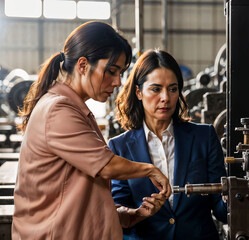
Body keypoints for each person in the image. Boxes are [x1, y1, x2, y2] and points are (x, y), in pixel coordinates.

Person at [12, 21, 171, 240]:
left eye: (121, 73)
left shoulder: (75, 110)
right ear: (83, 65)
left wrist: (133, 215)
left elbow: (83, 196)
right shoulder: (58, 110)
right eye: (112, 71)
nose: (117, 82)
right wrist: (150, 169)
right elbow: (107, 166)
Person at [109, 49, 228, 240]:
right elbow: (119, 215)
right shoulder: (120, 147)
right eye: (156, 89)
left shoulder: (204, 136)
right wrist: (138, 213)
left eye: (173, 89)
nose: (166, 97)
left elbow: (221, 210)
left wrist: (235, 196)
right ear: (139, 92)